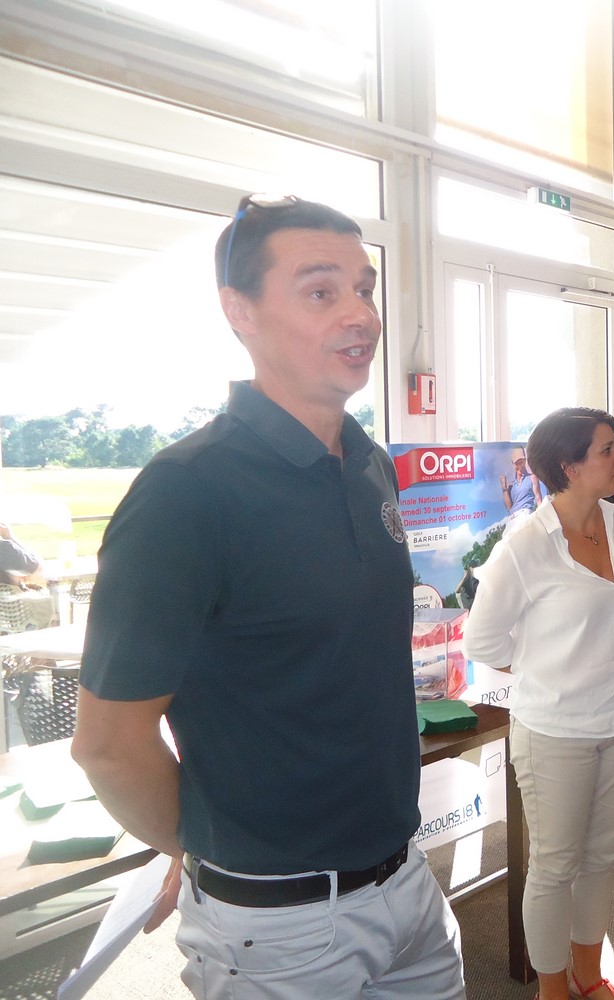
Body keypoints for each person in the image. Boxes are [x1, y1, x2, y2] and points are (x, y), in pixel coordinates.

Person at [70, 195, 466, 999]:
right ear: (239, 311)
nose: (360, 314)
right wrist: (198, 848)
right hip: (280, 924)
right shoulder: (186, 494)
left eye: (364, 288)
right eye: (321, 291)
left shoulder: (369, 464)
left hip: (406, 877)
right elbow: (109, 745)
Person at [463, 407, 614, 1000]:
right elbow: (482, 642)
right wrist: (548, 670)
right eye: (607, 450)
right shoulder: (524, 546)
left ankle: (588, 976)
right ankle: (551, 989)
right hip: (555, 732)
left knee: (602, 858)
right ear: (569, 467)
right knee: (554, 866)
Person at [0, 521, 55, 629]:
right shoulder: (4, 549)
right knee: (49, 607)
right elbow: (38, 570)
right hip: (17, 614)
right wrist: (9, 537)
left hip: (6, 614)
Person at [501, 445, 543, 522]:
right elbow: (509, 508)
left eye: (522, 462)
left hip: (525, 515)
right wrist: (504, 488)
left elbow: (539, 499)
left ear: (525, 461)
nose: (520, 466)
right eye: (517, 463)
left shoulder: (532, 478)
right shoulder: (510, 486)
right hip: (512, 518)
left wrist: (542, 518)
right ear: (513, 464)